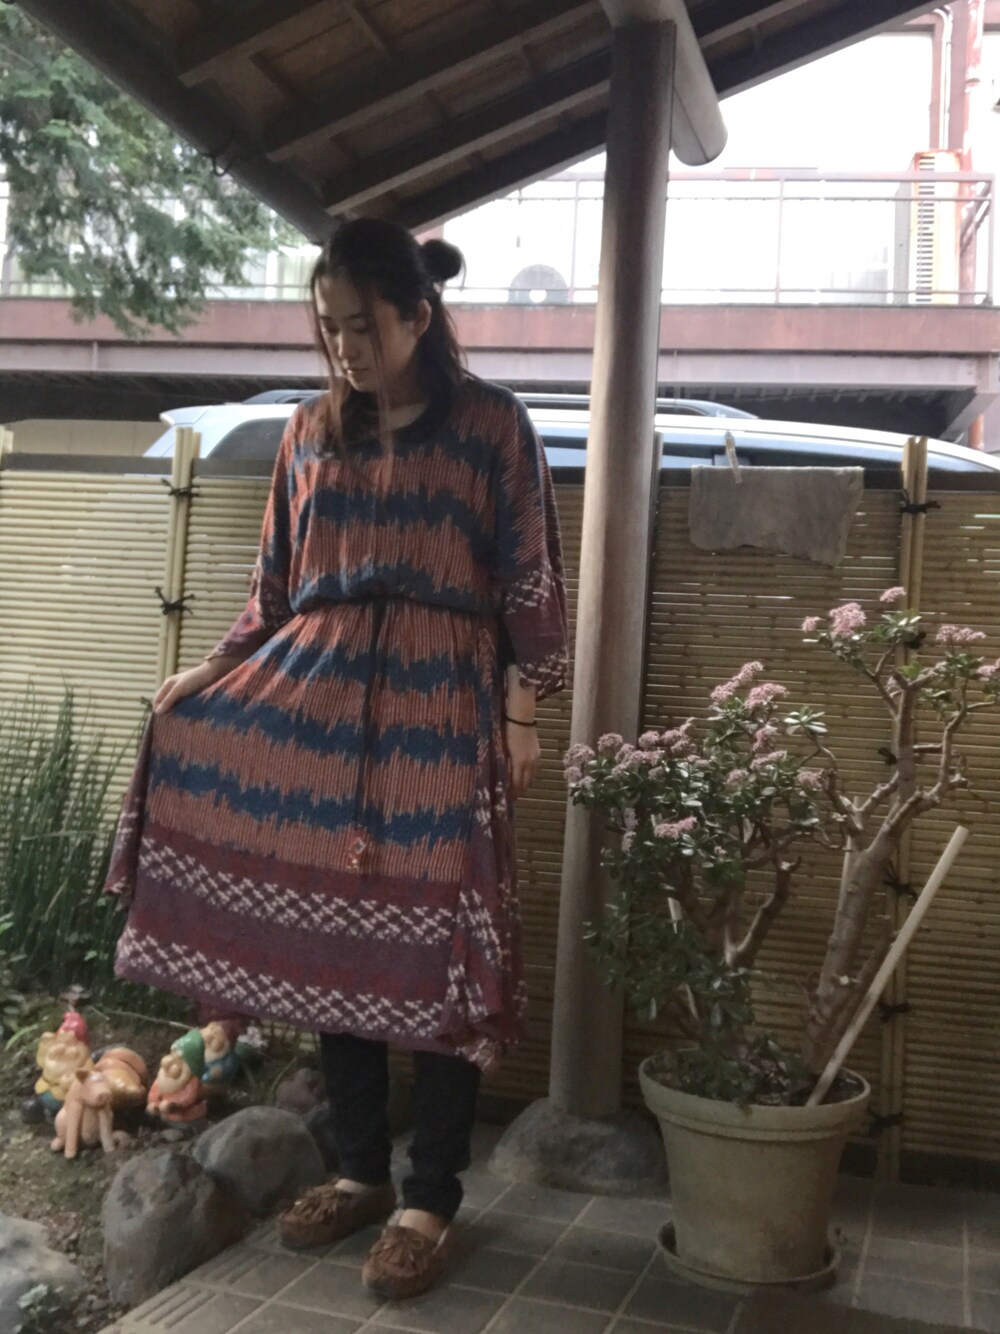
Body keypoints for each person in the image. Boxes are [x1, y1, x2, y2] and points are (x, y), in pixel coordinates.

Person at [103, 218, 568, 1299]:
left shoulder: (493, 425)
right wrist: (208, 675)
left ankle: (429, 1195)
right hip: (312, 704)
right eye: (329, 328)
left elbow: (529, 576)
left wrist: (522, 713)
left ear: (418, 315)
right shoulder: (309, 431)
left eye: (364, 326)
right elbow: (273, 588)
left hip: (442, 709)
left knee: (439, 947)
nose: (346, 348)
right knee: (334, 940)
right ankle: (361, 1169)